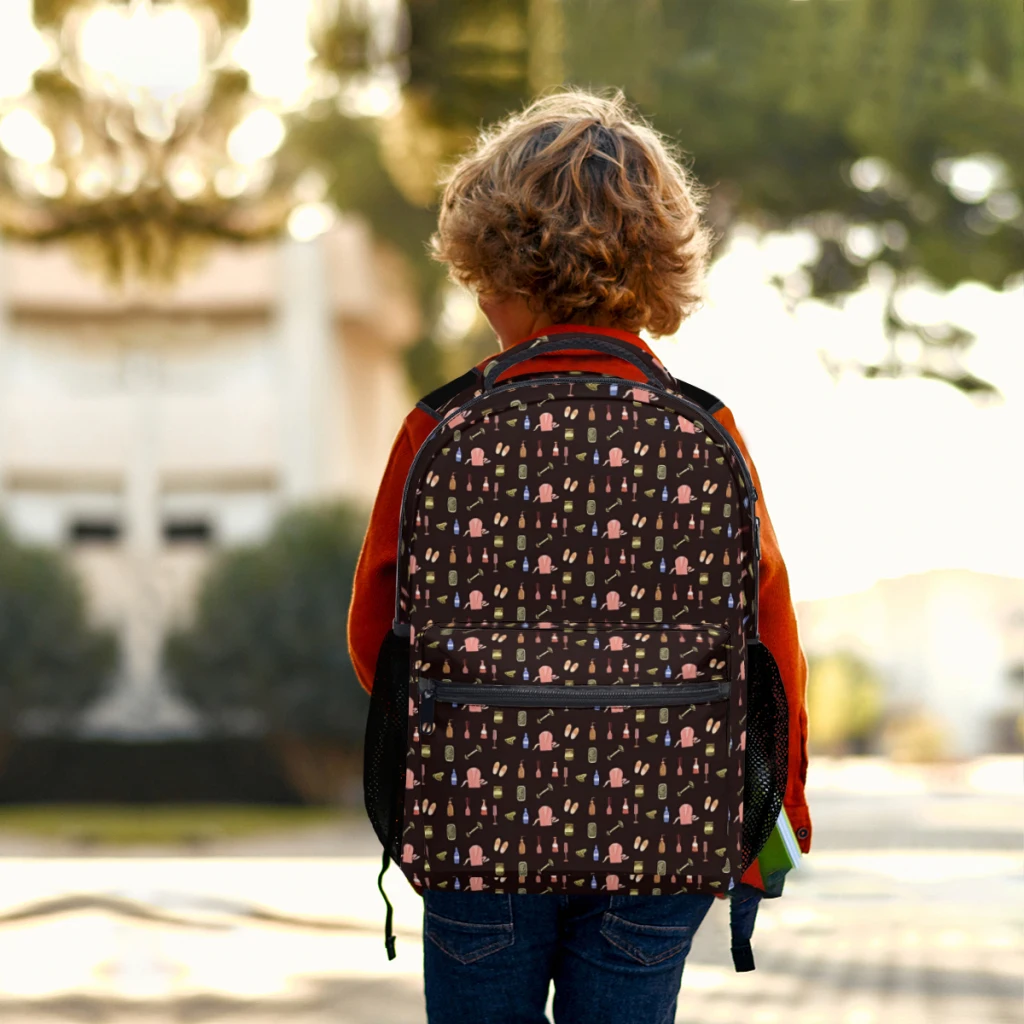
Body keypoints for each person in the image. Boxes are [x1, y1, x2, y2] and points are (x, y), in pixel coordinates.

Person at [349, 88, 811, 1024]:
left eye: (480, 279)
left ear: (497, 269)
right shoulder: (706, 428)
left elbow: (375, 638)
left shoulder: (442, 427)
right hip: (662, 833)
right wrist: (777, 815)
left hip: (480, 829)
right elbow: (769, 643)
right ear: (659, 269)